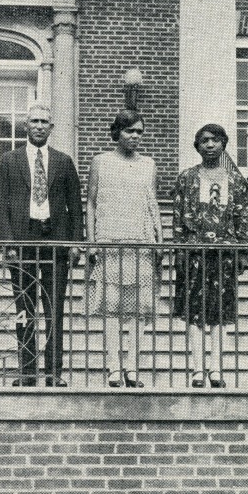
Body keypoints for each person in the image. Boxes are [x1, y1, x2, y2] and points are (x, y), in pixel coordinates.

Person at [0, 104, 83, 387]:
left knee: (54, 309)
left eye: (45, 122)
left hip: (55, 241)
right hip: (22, 240)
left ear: (51, 127)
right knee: (25, 310)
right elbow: (0, 206)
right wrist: (7, 243)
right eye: (34, 121)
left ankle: (54, 372)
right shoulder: (9, 161)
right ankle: (28, 371)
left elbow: (75, 208)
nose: (39, 126)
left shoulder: (64, 161)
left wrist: (76, 244)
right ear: (25, 126)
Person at [171, 123, 248, 388]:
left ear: (224, 144)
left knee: (220, 311)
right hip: (194, 251)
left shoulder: (235, 179)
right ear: (197, 145)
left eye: (215, 140)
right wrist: (180, 249)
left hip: (224, 253)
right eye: (204, 140)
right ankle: (197, 369)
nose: (209, 145)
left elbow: (241, 217)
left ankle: (216, 369)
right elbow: (179, 218)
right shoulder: (187, 177)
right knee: (194, 311)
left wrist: (240, 250)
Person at [85, 109, 160, 388]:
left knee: (140, 310)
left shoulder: (149, 164)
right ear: (117, 132)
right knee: (112, 308)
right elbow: (91, 203)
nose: (135, 136)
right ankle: (114, 368)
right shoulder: (100, 162)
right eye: (130, 131)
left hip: (139, 244)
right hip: (109, 243)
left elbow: (152, 205)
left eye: (139, 131)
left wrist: (158, 242)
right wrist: (91, 242)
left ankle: (133, 368)